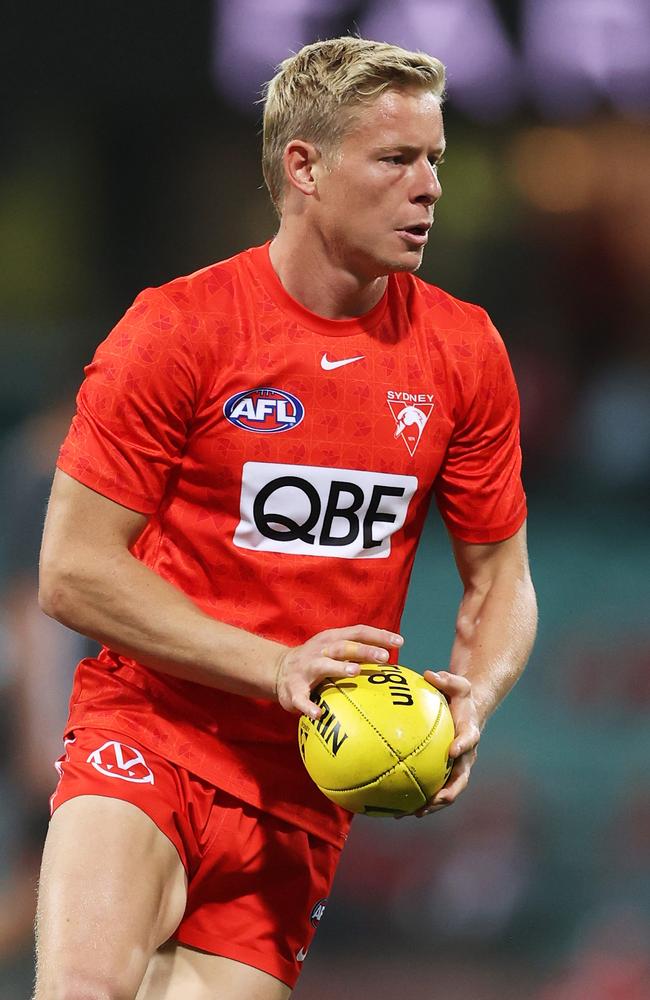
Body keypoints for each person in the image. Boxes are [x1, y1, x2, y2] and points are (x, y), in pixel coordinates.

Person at [35, 35, 537, 1000]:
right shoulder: (181, 328)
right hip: (153, 730)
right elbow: (73, 569)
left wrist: (474, 695)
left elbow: (501, 579)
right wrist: (274, 667)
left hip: (310, 781)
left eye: (436, 159)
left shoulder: (464, 351)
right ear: (302, 166)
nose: (430, 186)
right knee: (86, 989)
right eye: (396, 159)